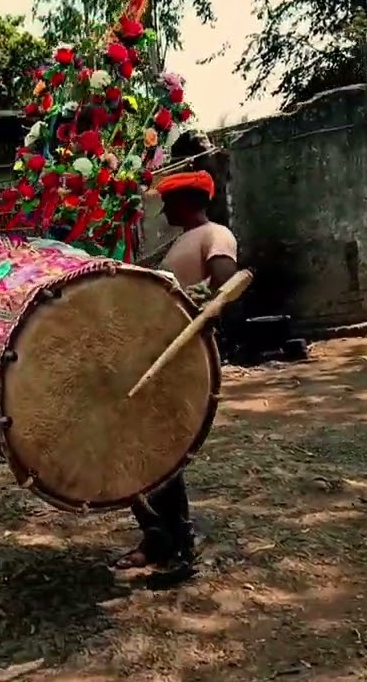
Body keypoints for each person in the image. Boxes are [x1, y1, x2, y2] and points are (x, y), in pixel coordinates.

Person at [115, 169, 238, 573]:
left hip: (181, 361)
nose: (164, 208)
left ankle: (180, 549)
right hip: (156, 357)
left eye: (169, 202)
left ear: (189, 202)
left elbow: (222, 288)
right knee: (136, 453)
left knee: (163, 454)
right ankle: (156, 540)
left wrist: (191, 302)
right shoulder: (178, 241)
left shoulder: (215, 235)